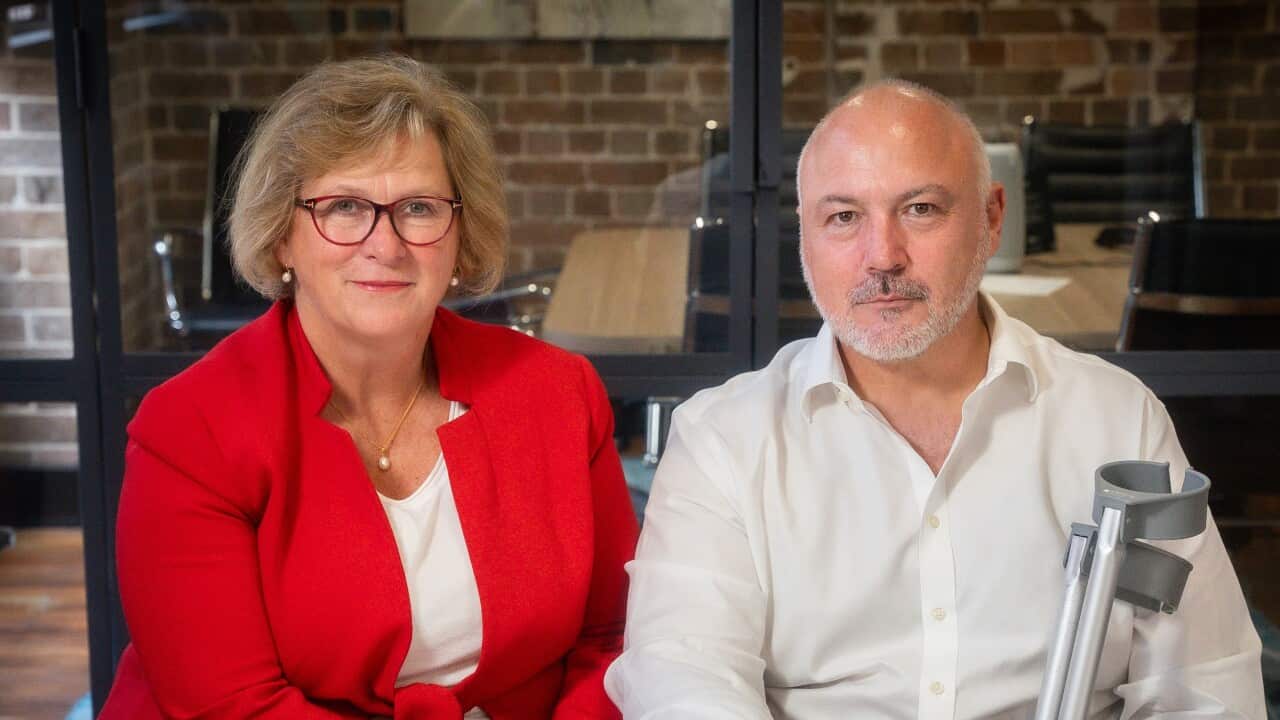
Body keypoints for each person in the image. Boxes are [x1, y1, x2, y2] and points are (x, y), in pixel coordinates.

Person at [604, 80, 1264, 718]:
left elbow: (1203, 692)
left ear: (992, 217)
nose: (881, 256)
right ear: (804, 234)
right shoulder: (723, 442)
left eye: (921, 208)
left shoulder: (1117, 420)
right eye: (843, 217)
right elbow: (685, 683)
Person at [101, 55, 638, 719]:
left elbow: (613, 639)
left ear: (459, 237)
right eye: (345, 207)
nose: (384, 244)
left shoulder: (558, 393)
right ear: (281, 239)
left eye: (417, 207)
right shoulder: (190, 430)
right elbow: (235, 707)